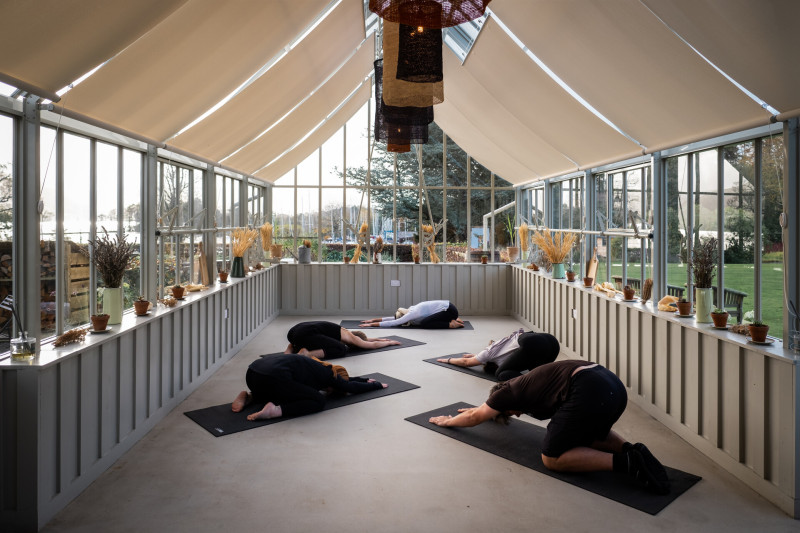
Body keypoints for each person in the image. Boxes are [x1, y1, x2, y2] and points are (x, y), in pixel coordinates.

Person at [428, 360, 671, 494]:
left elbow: (477, 417)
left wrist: (448, 421)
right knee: (582, 432)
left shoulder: (506, 392)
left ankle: (628, 463)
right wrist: (474, 409)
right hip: (612, 388)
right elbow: (479, 411)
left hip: (588, 390)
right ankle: (632, 449)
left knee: (552, 457)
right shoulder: (520, 385)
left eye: (510, 413)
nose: (518, 413)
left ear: (499, 402)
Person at [231, 353, 387, 421]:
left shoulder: (316, 366)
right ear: (335, 382)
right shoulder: (328, 374)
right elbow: (350, 386)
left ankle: (251, 396)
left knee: (291, 390)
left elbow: (348, 380)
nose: (330, 391)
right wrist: (377, 385)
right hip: (273, 378)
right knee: (318, 400)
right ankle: (275, 411)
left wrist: (365, 379)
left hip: (252, 373)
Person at [437, 329, 559, 380]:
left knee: (501, 374)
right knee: (538, 373)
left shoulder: (489, 353)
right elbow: (502, 354)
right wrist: (477, 355)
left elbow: (466, 362)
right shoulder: (494, 351)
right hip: (552, 342)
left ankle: (529, 384)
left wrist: (448, 360)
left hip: (533, 342)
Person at [286, 320, 401, 359]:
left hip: (293, 332)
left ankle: (290, 349)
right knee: (341, 349)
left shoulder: (344, 331)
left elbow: (367, 340)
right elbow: (371, 345)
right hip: (305, 334)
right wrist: (389, 343)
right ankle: (307, 354)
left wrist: (383, 339)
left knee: (328, 343)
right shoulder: (351, 338)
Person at [359, 300, 464, 329]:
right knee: (427, 320)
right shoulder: (411, 309)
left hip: (449, 311)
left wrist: (371, 325)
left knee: (425, 323)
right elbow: (393, 318)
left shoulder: (414, 313)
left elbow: (394, 322)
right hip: (448, 308)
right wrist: (372, 320)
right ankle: (454, 319)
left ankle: (451, 324)